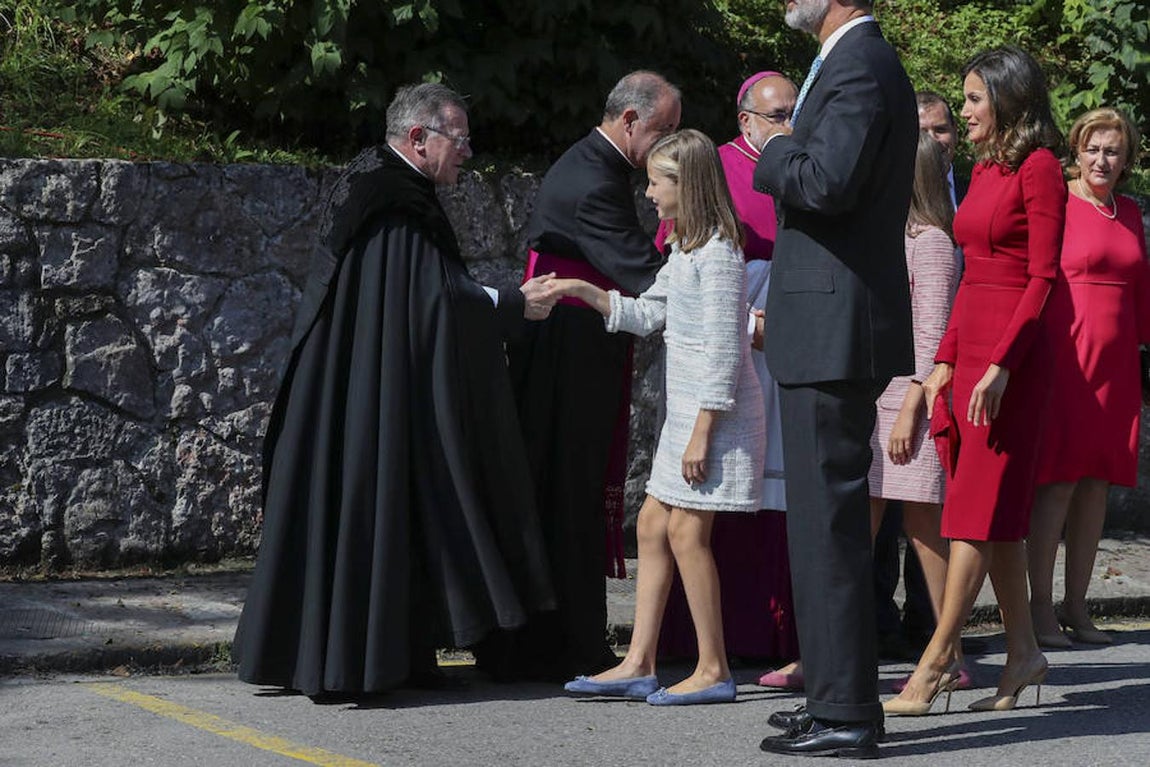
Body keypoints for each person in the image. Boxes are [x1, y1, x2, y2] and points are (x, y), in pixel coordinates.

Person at [233, 83, 557, 698]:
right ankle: (357, 662)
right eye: (459, 139)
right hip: (373, 395)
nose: (468, 152)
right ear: (418, 138)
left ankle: (376, 655)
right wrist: (513, 303)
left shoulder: (373, 180)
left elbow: (412, 297)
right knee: (374, 502)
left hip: (359, 385)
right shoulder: (396, 201)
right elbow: (433, 301)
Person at [752, 0, 918, 758]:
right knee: (821, 528)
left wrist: (775, 145)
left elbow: (827, 181)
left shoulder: (859, 63)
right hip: (825, 325)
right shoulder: (852, 60)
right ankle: (831, 695)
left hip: (832, 328)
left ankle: (847, 710)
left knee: (831, 530)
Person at [552, 128, 766, 705]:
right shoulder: (685, 248)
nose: (648, 193)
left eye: (656, 182)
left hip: (715, 418)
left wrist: (702, 433)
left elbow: (726, 349)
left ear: (685, 184)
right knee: (651, 524)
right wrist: (581, 289)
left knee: (685, 531)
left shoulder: (719, 253)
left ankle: (715, 668)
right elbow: (648, 314)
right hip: (691, 415)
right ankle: (639, 662)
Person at [886, 46, 1066, 717]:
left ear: (1008, 98)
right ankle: (1023, 652)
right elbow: (972, 276)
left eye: (971, 100)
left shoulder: (1041, 168)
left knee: (971, 515)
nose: (962, 113)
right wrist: (943, 362)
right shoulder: (986, 167)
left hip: (1013, 363)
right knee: (997, 519)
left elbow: (1042, 278)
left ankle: (937, 660)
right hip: (972, 357)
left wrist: (1001, 366)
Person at [503, 71, 681, 681]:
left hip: (570, 343)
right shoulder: (594, 183)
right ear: (629, 120)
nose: (666, 144)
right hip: (568, 353)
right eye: (663, 131)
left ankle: (556, 636)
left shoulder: (596, 166)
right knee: (569, 490)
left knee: (565, 489)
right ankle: (565, 642)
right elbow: (643, 272)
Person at [654, 71, 800, 670]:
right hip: (732, 338)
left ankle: (776, 638)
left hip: (784, 330)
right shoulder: (712, 166)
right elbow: (682, 255)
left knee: (776, 488)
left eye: (794, 112)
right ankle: (702, 646)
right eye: (776, 115)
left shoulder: (802, 163)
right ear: (745, 120)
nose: (788, 124)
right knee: (710, 495)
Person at [1028, 108, 1149, 648]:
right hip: (1067, 359)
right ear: (1076, 151)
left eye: (1113, 151)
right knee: (1058, 484)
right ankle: (1037, 609)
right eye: (1093, 148)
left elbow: (1140, 291)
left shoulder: (1129, 212)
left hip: (1117, 364)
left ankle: (1077, 608)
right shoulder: (1057, 202)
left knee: (1097, 484)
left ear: (1126, 160)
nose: (1102, 160)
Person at [869, 131, 961, 682]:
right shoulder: (895, 235)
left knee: (925, 527)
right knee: (862, 529)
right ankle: (836, 651)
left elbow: (931, 336)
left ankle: (948, 651)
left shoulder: (930, 241)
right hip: (882, 399)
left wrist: (909, 406)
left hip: (913, 403)